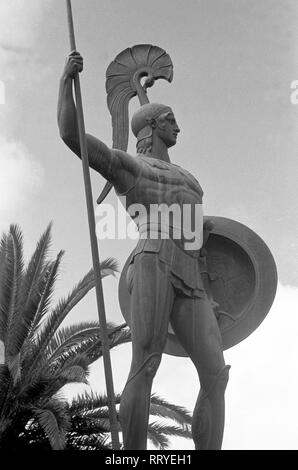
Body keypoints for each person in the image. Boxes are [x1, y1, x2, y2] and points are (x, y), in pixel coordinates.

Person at [58, 51, 230, 450]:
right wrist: (65, 81)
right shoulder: (130, 167)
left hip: (191, 271)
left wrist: (209, 286)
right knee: (147, 362)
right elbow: (72, 137)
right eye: (169, 119)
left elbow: (198, 242)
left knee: (216, 374)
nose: (177, 126)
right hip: (153, 258)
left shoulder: (190, 178)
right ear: (150, 126)